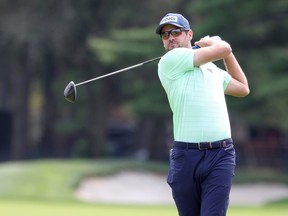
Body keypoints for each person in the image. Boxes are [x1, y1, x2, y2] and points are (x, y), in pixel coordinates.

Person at [155, 13, 249, 216]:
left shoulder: (212, 69)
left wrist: (226, 54)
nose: (170, 38)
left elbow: (242, 88)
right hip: (186, 157)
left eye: (176, 32)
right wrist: (215, 43)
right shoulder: (169, 61)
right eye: (165, 35)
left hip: (221, 155)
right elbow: (223, 48)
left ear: (189, 34)